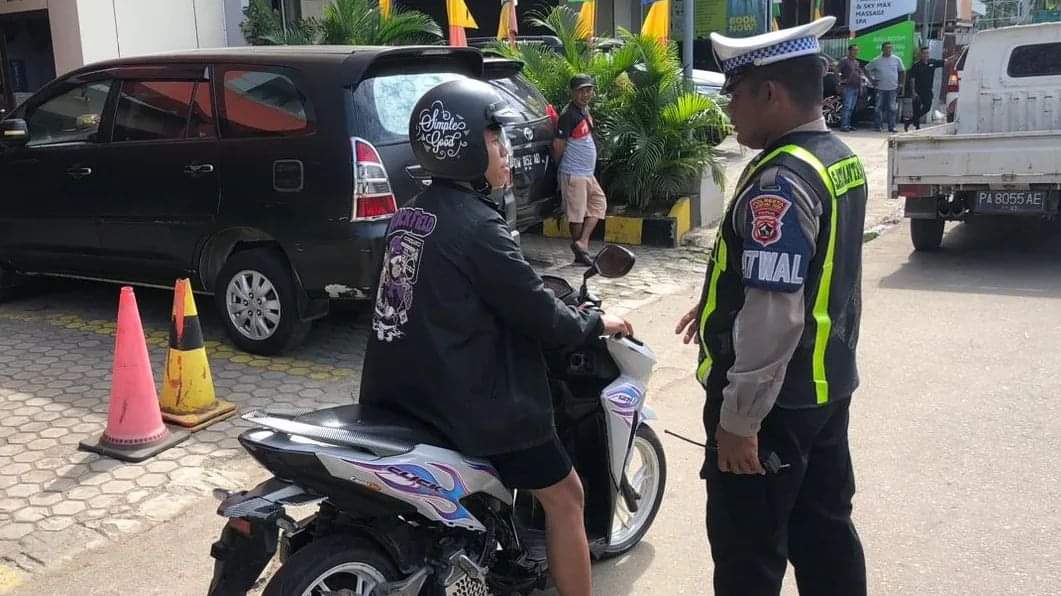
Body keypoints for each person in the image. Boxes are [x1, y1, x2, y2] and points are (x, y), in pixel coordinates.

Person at [359, 79, 632, 596]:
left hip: (400, 395)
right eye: (493, 139)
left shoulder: (409, 215)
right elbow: (541, 316)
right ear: (463, 147)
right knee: (567, 496)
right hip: (471, 407)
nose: (505, 150)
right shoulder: (477, 227)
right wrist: (596, 324)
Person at [675, 15, 868, 596]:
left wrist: (739, 420)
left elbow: (774, 314)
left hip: (772, 405)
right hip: (825, 389)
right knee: (826, 537)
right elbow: (814, 274)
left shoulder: (779, 181)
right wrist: (719, 304)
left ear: (770, 93)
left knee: (748, 557)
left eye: (734, 95)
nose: (728, 110)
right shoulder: (837, 157)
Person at [554, 74, 607, 266]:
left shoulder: (584, 111)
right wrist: (557, 166)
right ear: (572, 92)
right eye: (581, 91)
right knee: (576, 214)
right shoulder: (568, 115)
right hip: (574, 172)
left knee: (599, 203)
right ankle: (580, 253)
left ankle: (582, 243)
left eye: (588, 90)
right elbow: (559, 144)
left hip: (586, 173)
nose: (585, 94)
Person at [866, 41, 905, 133]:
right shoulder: (876, 60)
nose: (889, 49)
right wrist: (871, 80)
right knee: (878, 108)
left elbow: (902, 71)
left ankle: (892, 127)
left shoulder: (897, 59)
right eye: (887, 48)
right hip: (880, 88)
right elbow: (866, 69)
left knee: (892, 108)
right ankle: (878, 126)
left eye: (890, 48)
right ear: (882, 49)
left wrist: (900, 84)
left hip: (893, 88)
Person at [905, 46, 945, 131]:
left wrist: (957, 55)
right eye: (924, 53)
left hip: (928, 90)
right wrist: (913, 92)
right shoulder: (916, 65)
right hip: (918, 91)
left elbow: (945, 61)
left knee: (927, 107)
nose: (926, 55)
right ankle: (917, 126)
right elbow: (912, 79)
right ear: (921, 54)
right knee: (916, 109)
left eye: (927, 53)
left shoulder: (932, 62)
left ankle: (909, 121)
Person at [838, 44, 863, 132]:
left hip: (856, 87)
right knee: (847, 107)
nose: (856, 52)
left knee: (852, 108)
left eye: (857, 50)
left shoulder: (856, 62)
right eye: (854, 50)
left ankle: (848, 124)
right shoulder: (844, 60)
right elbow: (836, 70)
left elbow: (859, 73)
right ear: (849, 51)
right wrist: (840, 81)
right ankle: (844, 125)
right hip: (848, 87)